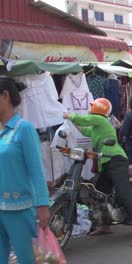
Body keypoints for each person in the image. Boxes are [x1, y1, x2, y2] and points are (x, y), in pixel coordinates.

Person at [63, 98, 132, 247]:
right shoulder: (96, 127)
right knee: (100, 194)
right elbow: (83, 129)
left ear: (98, 107)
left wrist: (70, 115)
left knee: (123, 192)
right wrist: (72, 122)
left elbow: (85, 120)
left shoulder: (101, 120)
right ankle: (105, 225)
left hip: (116, 160)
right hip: (105, 163)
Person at [0, 77, 49, 263]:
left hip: (20, 209)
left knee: (27, 259)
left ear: (5, 96)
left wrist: (43, 206)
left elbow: (37, 170)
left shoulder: (24, 129)